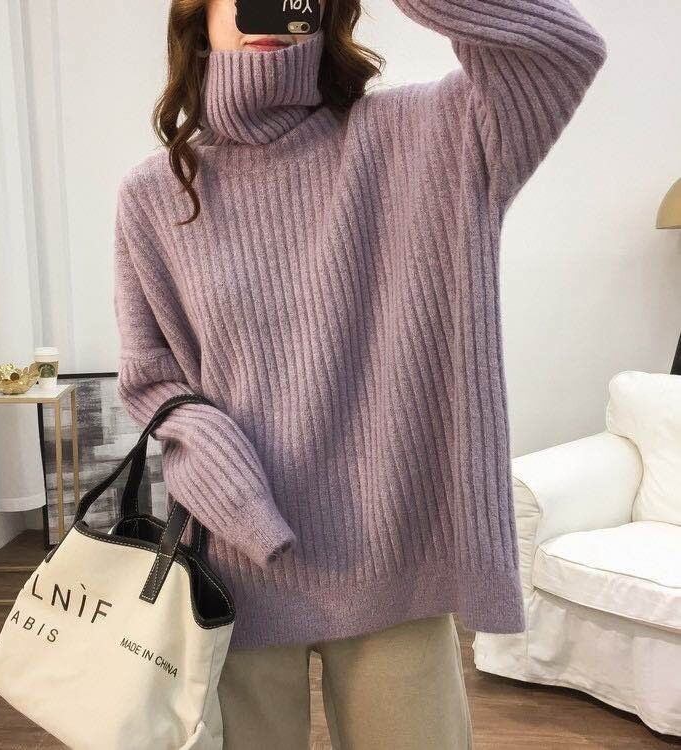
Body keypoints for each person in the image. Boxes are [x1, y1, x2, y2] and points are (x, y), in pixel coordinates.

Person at [112, 0, 607, 747]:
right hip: (235, 564)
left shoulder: (430, 134)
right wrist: (230, 485)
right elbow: (153, 380)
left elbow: (562, 49)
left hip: (394, 561)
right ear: (198, 14)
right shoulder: (157, 193)